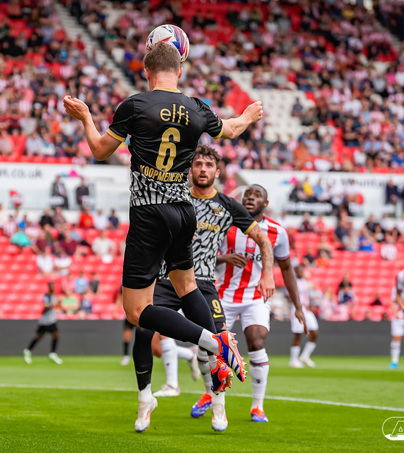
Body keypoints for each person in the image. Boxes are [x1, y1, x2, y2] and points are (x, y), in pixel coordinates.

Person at [64, 41, 266, 433]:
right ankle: (219, 341)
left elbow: (100, 150)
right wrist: (248, 114)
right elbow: (232, 129)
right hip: (184, 213)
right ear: (181, 70)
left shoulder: (135, 105)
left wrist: (85, 116)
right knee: (186, 285)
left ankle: (216, 343)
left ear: (146, 71)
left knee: (136, 311)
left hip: (149, 213)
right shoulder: (197, 107)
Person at [141, 150, 274, 432]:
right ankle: (146, 399)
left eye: (209, 165)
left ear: (217, 172)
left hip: (202, 283)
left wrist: (268, 274)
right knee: (143, 331)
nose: (203, 169)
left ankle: (218, 404)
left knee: (217, 342)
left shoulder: (227, 205)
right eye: (198, 164)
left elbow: (262, 239)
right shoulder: (176, 197)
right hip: (167, 279)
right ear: (190, 170)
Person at [200, 184, 306, 429]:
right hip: (223, 295)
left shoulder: (277, 232)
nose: (250, 197)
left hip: (256, 298)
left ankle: (257, 405)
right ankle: (208, 393)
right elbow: (200, 255)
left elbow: (286, 269)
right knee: (208, 347)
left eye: (257, 195)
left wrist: (298, 305)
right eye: (247, 194)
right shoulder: (225, 225)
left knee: (257, 341)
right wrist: (223, 258)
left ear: (265, 204)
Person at [23, 282, 64, 365]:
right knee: (38, 337)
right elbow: (45, 307)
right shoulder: (47, 296)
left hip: (51, 320)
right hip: (45, 321)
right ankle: (28, 351)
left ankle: (52, 354)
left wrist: (58, 303)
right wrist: (51, 304)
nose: (52, 288)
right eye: (51, 286)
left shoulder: (53, 297)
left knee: (56, 335)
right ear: (49, 287)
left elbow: (58, 306)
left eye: (53, 286)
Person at [289, 266, 319, 369]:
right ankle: (293, 360)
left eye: (302, 271)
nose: (302, 273)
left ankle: (305, 356)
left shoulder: (305, 282)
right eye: (300, 271)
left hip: (306, 310)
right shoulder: (292, 282)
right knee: (298, 334)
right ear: (295, 272)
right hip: (297, 310)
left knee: (314, 332)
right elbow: (289, 296)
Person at [389, 268, 404, 369]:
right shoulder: (396, 289)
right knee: (396, 338)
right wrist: (396, 312)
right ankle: (394, 361)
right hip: (400, 316)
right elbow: (394, 301)